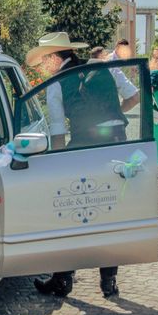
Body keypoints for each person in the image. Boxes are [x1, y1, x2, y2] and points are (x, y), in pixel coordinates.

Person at [25, 33, 122, 299]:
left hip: (84, 149)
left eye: (44, 61)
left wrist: (58, 167)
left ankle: (63, 279)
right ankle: (109, 281)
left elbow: (57, 134)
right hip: (117, 145)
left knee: (72, 213)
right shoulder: (100, 70)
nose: (43, 67)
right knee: (109, 212)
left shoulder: (57, 84)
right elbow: (131, 99)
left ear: (56, 58)